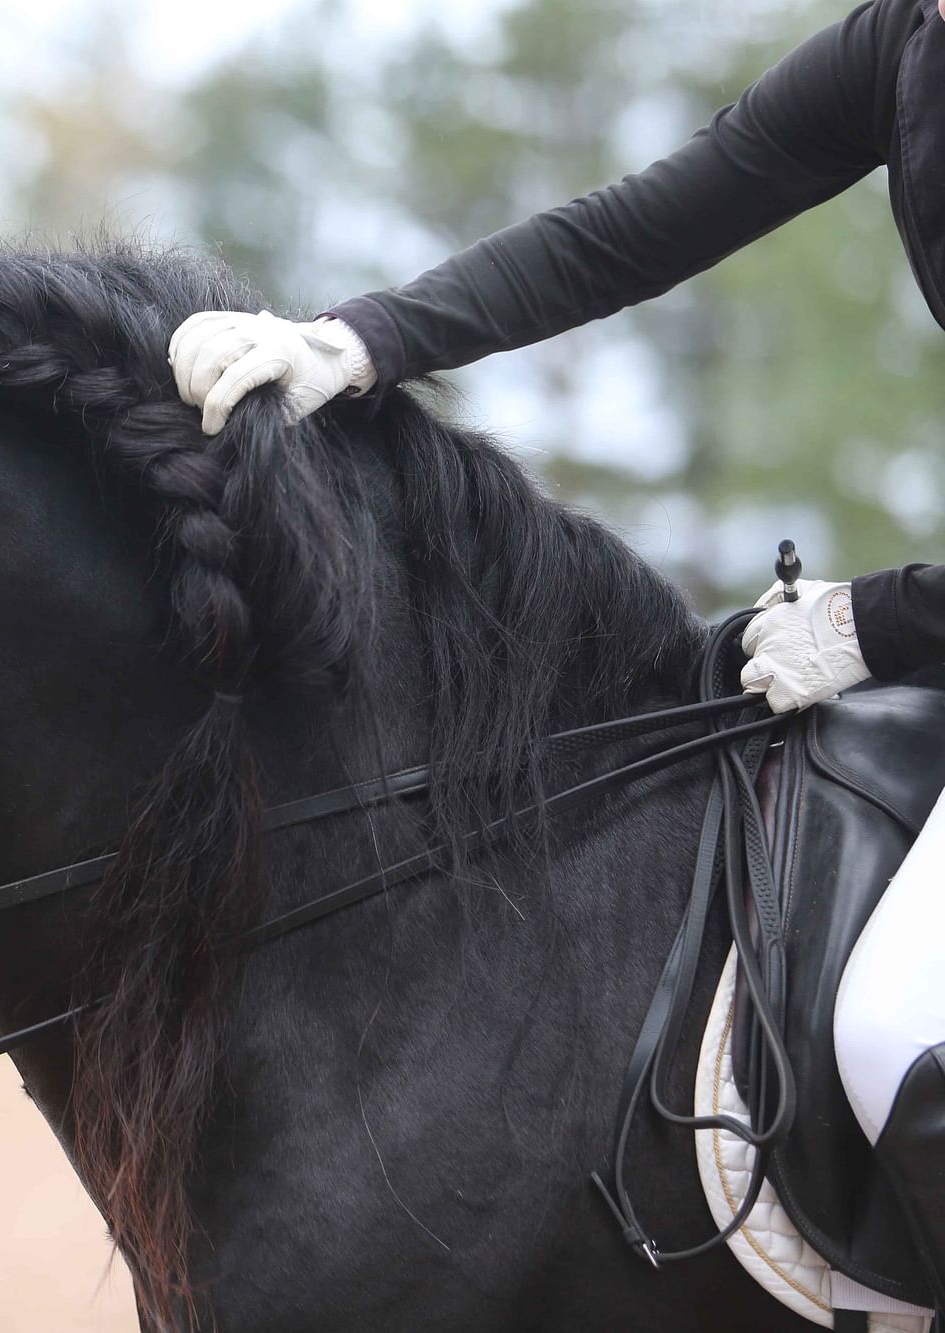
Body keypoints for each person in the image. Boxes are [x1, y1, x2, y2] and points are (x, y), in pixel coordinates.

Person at [168, 0, 945, 1305]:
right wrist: (359, 343)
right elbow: (642, 225)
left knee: (897, 1027)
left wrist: (884, 622)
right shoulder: (904, 45)